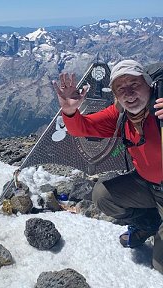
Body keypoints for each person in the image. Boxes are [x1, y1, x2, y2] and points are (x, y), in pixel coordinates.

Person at [52, 59, 163, 274]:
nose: (129, 93)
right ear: (115, 95)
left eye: (134, 85)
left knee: (159, 268)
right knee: (103, 196)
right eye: (121, 88)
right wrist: (70, 111)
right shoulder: (120, 114)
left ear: (149, 85)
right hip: (149, 187)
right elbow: (82, 128)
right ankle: (149, 223)